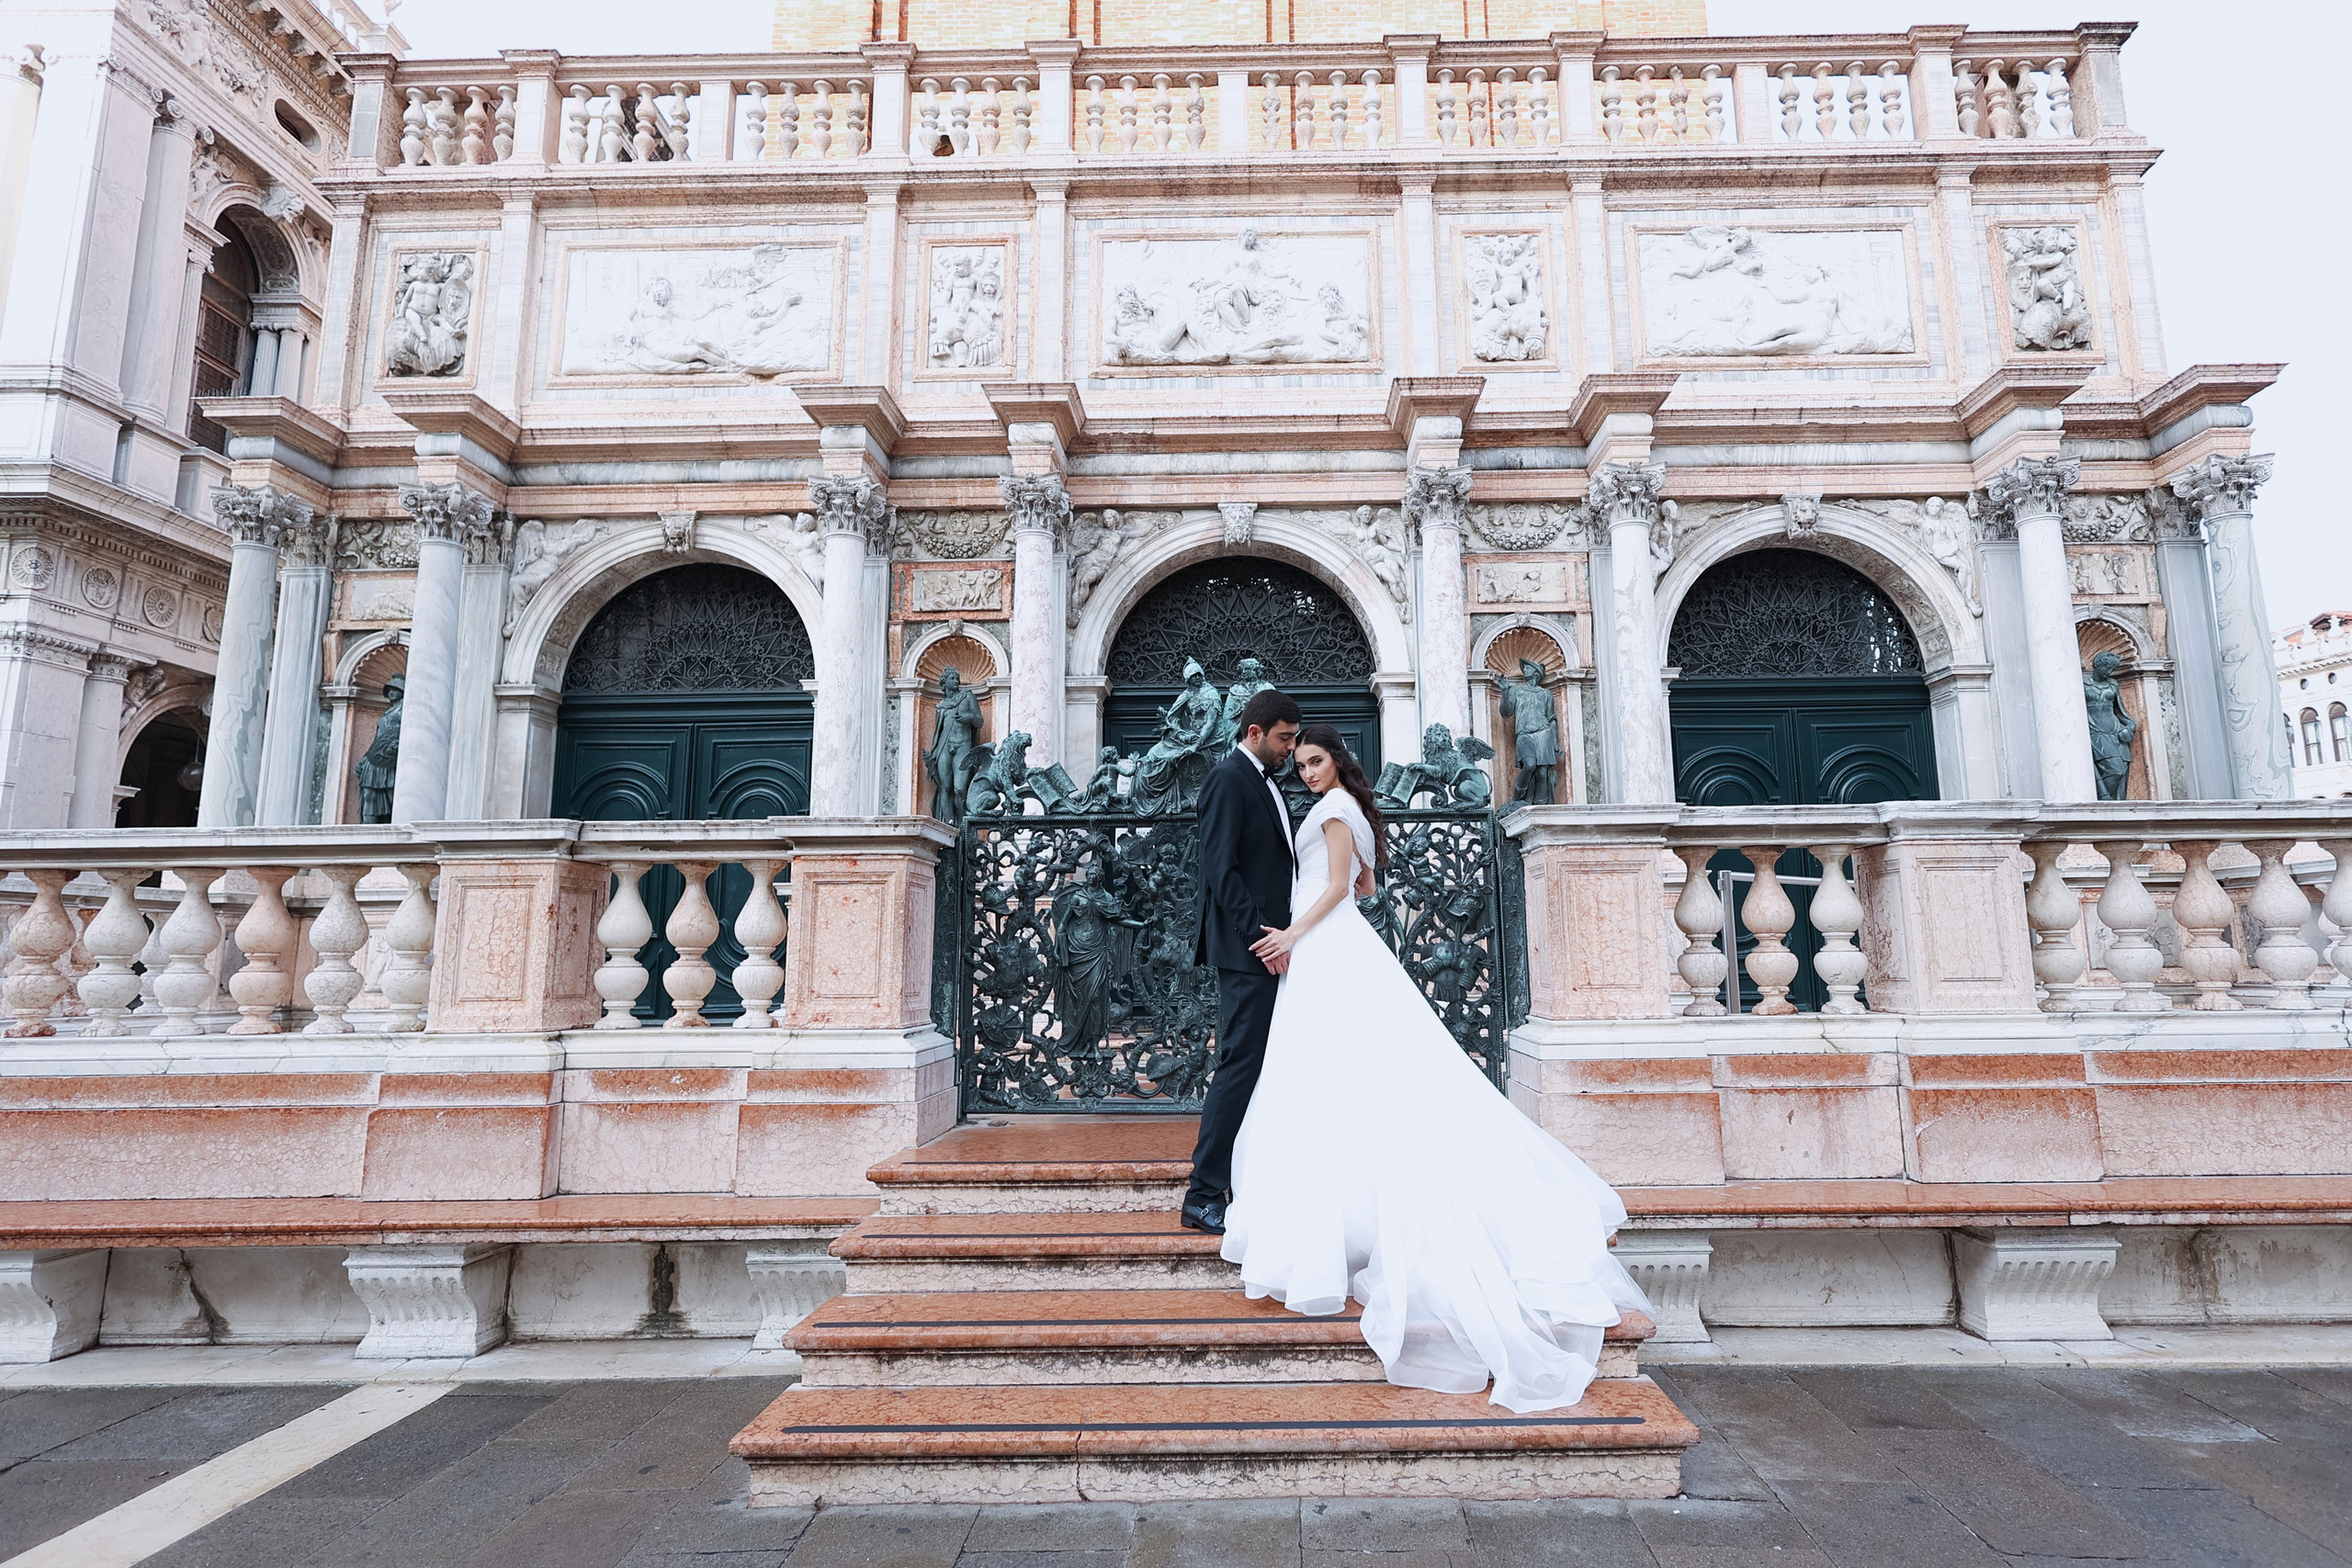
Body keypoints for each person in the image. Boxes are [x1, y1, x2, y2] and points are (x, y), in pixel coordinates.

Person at [1222, 722, 1649, 1413]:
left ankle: (1336, 1218)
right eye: (1299, 763)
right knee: (1343, 1074)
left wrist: (1293, 932)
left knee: (1322, 1075)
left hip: (1325, 945)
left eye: (1314, 761)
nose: (1304, 772)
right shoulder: (1352, 810)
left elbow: (1337, 886)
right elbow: (1365, 883)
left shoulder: (1333, 811)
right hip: (1341, 944)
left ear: (1337, 762)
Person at [1182, 687, 1302, 1235]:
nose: (1290, 748)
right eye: (1284, 738)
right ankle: (1202, 1194)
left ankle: (1249, 1178)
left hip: (1274, 946)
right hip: (1252, 950)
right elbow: (1218, 868)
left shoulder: (1264, 781)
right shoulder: (1229, 778)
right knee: (1238, 1066)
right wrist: (1259, 937)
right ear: (1255, 732)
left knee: (1263, 1066)